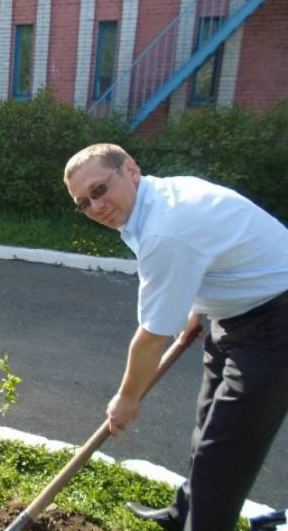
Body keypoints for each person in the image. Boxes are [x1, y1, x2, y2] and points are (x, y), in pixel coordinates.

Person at [63, 143, 288, 531]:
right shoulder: (153, 202)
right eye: (84, 203)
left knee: (226, 450)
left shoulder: (164, 228)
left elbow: (152, 338)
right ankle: (184, 511)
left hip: (274, 323)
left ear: (130, 169)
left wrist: (127, 398)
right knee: (208, 427)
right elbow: (218, 248)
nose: (95, 207)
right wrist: (197, 309)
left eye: (99, 190)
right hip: (232, 313)